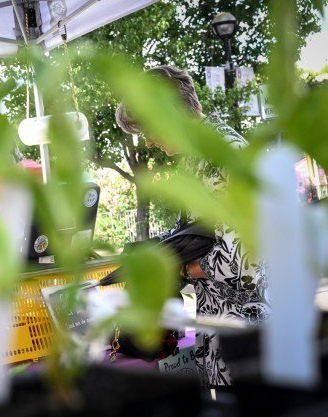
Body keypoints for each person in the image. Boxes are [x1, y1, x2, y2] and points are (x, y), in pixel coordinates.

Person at [115, 65, 271, 388]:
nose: (148, 143)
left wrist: (182, 270)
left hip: (246, 345)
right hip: (226, 341)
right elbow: (201, 237)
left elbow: (244, 260)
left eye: (147, 130)